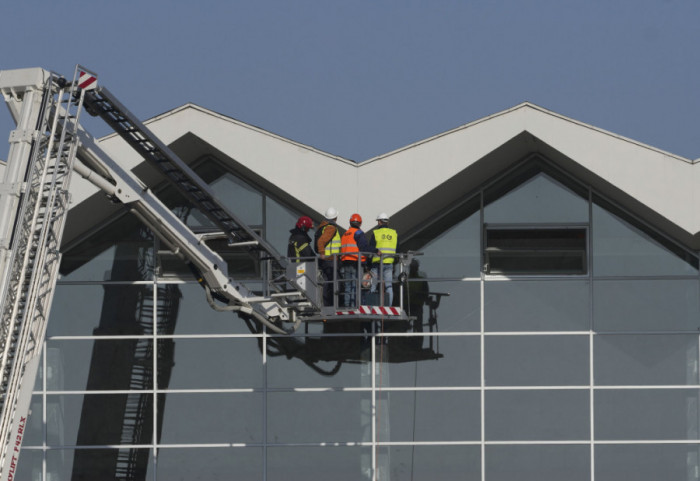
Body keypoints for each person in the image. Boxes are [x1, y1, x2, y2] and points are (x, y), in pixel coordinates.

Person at [340, 213, 376, 307]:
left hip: (346, 262)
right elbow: (364, 247)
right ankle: (355, 305)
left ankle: (347, 305)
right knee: (356, 285)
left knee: (348, 285)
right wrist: (375, 251)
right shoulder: (358, 233)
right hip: (356, 262)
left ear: (350, 222)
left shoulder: (345, 234)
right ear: (360, 223)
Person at [369, 212, 398, 306]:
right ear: (387, 222)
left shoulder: (376, 233)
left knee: (373, 285)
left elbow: (371, 248)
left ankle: (372, 306)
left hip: (377, 263)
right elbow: (398, 249)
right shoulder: (393, 233)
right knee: (389, 286)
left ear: (379, 222)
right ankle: (389, 306)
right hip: (389, 263)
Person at [315, 207, 341, 306]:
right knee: (334, 283)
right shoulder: (331, 228)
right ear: (335, 217)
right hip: (330, 259)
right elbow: (321, 241)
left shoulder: (324, 226)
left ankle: (327, 303)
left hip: (328, 260)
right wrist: (322, 252)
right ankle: (333, 304)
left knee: (327, 283)